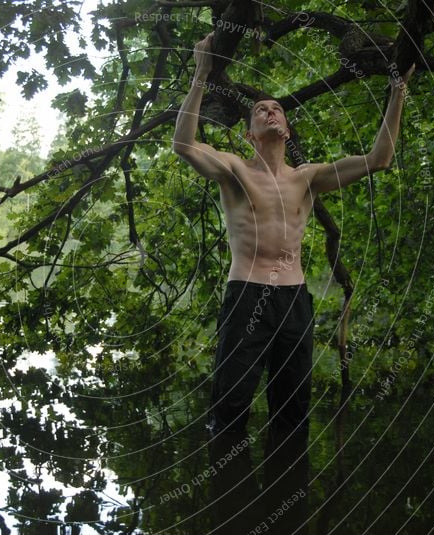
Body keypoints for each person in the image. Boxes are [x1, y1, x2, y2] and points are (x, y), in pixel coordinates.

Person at [173, 33, 413, 437]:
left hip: (294, 301)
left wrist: (398, 90)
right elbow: (183, 144)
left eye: (277, 109)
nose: (270, 111)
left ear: (287, 128)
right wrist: (202, 70)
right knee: (230, 406)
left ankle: (288, 494)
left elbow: (379, 159)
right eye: (260, 109)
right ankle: (227, 492)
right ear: (249, 134)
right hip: (246, 295)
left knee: (293, 412)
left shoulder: (309, 178)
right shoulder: (235, 169)